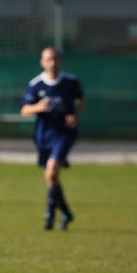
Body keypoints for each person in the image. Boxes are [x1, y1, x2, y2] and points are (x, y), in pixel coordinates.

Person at [20, 46, 85, 230]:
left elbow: (81, 99)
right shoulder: (36, 85)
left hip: (64, 133)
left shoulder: (70, 81)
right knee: (51, 177)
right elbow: (24, 109)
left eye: (56, 59)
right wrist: (38, 107)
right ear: (42, 62)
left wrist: (75, 117)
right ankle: (64, 212)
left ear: (60, 60)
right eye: (49, 59)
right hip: (42, 135)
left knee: (52, 172)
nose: (53, 63)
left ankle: (50, 212)